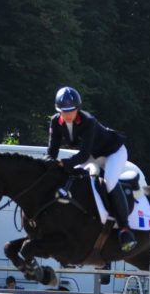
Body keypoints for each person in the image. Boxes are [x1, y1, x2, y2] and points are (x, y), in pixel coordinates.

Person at [46, 86, 138, 253]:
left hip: (112, 153)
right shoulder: (55, 121)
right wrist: (48, 165)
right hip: (92, 156)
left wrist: (64, 163)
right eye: (64, 111)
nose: (67, 115)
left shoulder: (89, 121)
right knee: (75, 180)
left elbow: (82, 155)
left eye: (71, 111)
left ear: (78, 109)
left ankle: (125, 229)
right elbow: (52, 151)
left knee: (109, 182)